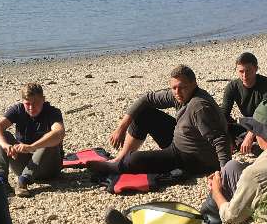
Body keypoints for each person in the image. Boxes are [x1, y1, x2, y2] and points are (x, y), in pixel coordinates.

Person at [90, 65, 231, 178]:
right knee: (144, 113)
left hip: (192, 158)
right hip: (181, 139)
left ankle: (119, 165)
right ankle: (119, 158)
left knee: (135, 160)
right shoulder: (179, 95)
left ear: (194, 84)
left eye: (182, 87)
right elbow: (146, 99)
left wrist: (225, 172)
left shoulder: (199, 107)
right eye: (174, 87)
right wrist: (122, 127)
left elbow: (220, 139)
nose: (177, 92)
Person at [0, 82, 66, 197]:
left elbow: (59, 132)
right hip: (23, 164)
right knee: (2, 135)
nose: (31, 108)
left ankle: (23, 181)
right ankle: (0, 180)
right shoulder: (18, 110)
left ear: (43, 99)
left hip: (48, 168)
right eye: (27, 104)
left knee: (50, 139)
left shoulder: (52, 112)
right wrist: (5, 145)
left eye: (35, 103)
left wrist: (32, 147)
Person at [220, 52, 267, 154]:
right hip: (249, 123)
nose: (244, 75)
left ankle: (247, 144)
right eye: (241, 71)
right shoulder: (232, 87)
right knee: (221, 123)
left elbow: (265, 114)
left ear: (256, 69)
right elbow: (223, 113)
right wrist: (227, 138)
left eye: (248, 71)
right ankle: (244, 145)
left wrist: (250, 136)